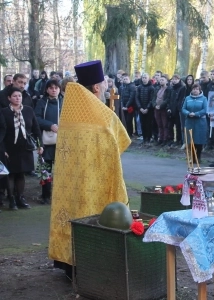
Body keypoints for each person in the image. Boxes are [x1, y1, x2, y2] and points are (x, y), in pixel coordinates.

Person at [48, 60, 131, 280]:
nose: (105, 87)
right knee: (91, 214)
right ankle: (92, 265)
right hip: (94, 180)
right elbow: (121, 142)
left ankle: (68, 265)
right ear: (95, 87)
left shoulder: (70, 109)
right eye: (103, 83)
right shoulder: (103, 115)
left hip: (70, 181)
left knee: (72, 211)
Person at [2, 87, 43, 210]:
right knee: (10, 174)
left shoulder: (29, 110)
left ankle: (20, 197)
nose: (17, 98)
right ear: (9, 98)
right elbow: (1, 133)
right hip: (9, 148)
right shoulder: (3, 112)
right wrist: (2, 149)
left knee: (21, 173)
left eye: (19, 96)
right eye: (14, 96)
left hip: (25, 148)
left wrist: (40, 145)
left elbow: (36, 129)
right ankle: (11, 199)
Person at [34, 79, 63, 204]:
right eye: (51, 88)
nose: (54, 90)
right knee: (45, 169)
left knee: (62, 169)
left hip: (62, 141)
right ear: (46, 90)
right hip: (45, 141)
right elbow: (36, 119)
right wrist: (50, 125)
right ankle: (45, 196)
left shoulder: (64, 102)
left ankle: (60, 195)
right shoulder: (41, 102)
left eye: (56, 87)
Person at [181, 83, 207, 163]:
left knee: (199, 140)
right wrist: (188, 113)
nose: (195, 90)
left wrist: (196, 114)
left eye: (197, 89)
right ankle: (192, 157)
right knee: (190, 140)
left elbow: (205, 110)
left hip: (200, 122)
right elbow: (183, 108)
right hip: (190, 121)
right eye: (194, 89)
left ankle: (198, 157)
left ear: (199, 90)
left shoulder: (204, 99)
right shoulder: (187, 98)